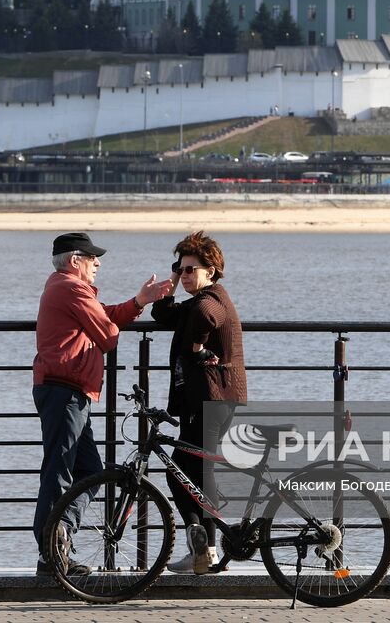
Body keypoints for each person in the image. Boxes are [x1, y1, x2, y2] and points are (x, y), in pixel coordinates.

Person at [32, 232, 171, 576]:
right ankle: (52, 552)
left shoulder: (65, 286)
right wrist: (117, 320)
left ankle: (59, 537)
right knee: (59, 471)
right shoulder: (70, 287)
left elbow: (103, 316)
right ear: (74, 259)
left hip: (71, 392)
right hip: (65, 392)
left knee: (90, 471)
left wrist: (139, 301)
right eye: (92, 257)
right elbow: (107, 335)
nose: (98, 263)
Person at [150, 230, 247, 574]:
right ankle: (205, 550)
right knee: (194, 474)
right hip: (205, 401)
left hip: (213, 401)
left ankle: (203, 546)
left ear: (211, 271)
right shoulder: (195, 299)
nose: (186, 273)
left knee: (182, 474)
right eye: (182, 268)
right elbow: (161, 314)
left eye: (192, 268)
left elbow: (208, 315)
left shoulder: (213, 298)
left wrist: (196, 347)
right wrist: (174, 278)